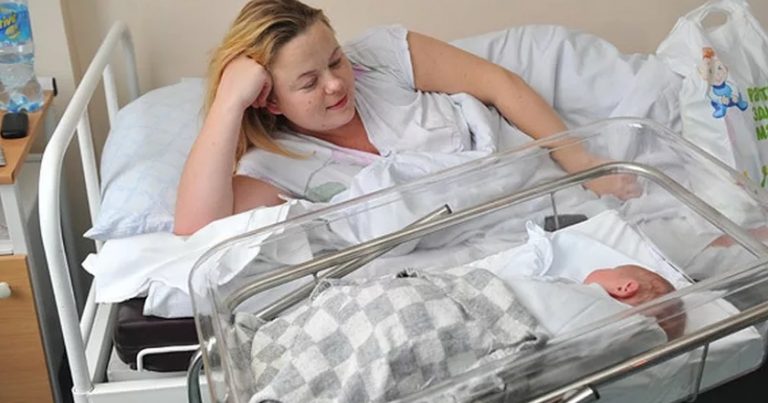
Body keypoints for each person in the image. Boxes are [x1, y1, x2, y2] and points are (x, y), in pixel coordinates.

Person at [174, 0, 638, 235]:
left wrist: (583, 164)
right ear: (270, 101)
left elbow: (499, 84)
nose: (335, 84)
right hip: (475, 248)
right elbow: (194, 231)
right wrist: (228, 103)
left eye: (335, 61)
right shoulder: (273, 166)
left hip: (538, 192)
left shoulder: (380, 57)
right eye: (309, 82)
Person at [242, 264, 685, 403]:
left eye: (609, 270)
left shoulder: (618, 319)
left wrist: (653, 330)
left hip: (453, 319)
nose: (591, 273)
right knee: (375, 329)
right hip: (443, 300)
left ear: (624, 289)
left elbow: (645, 340)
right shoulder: (566, 294)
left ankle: (283, 364)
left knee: (379, 337)